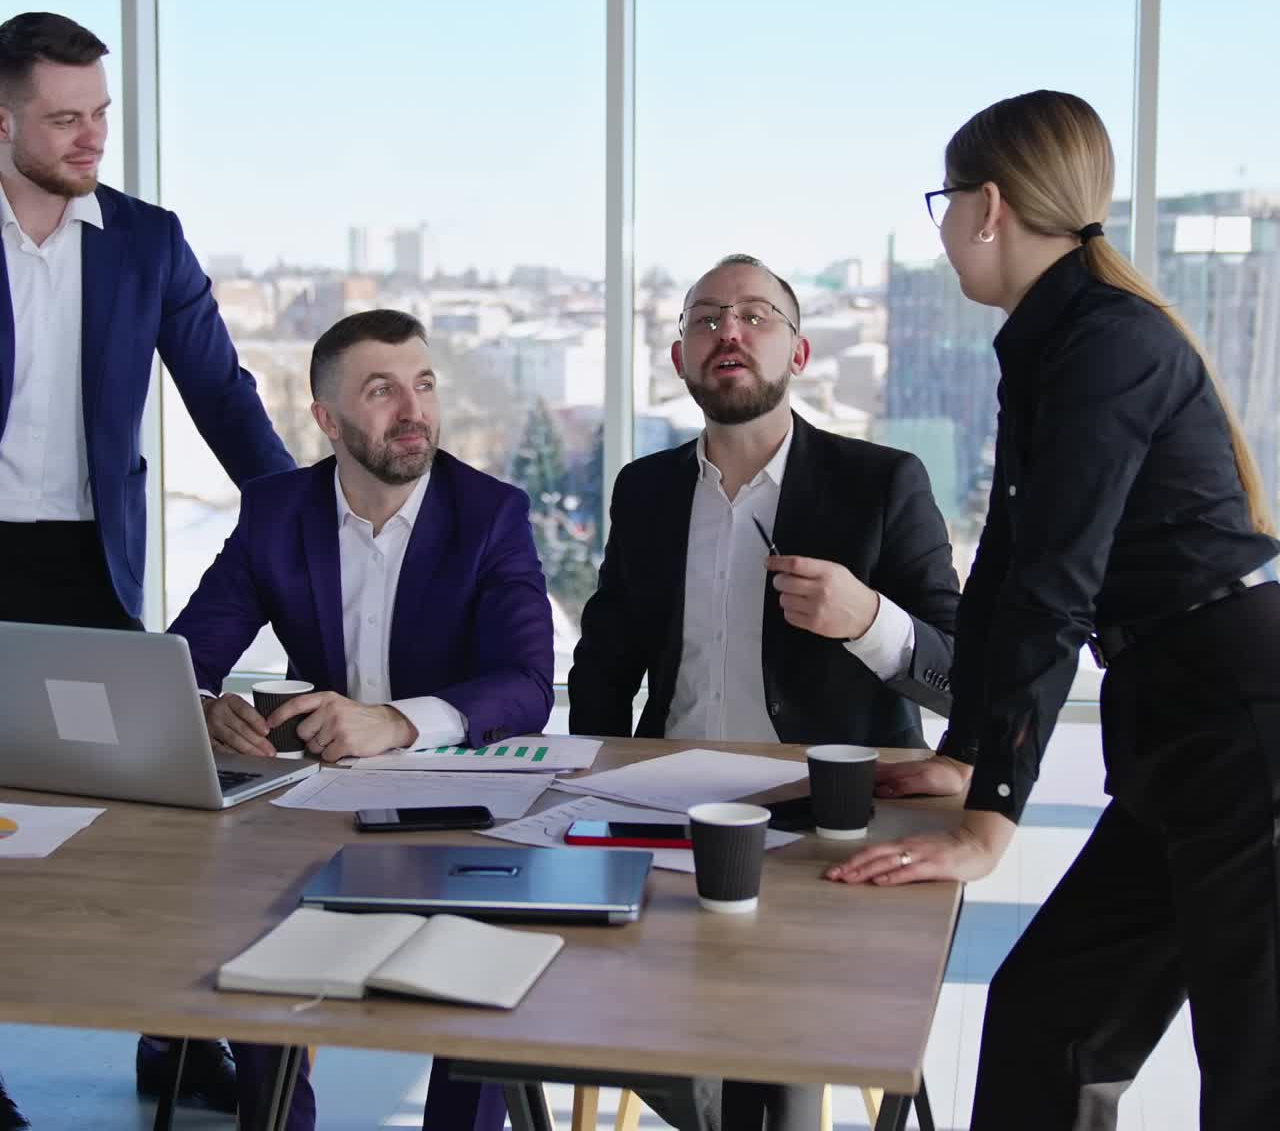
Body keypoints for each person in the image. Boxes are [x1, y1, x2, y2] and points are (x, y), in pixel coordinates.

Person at [826, 90, 1280, 1131]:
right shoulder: (1049, 340)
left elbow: (1054, 583)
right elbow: (1004, 571)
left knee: (1252, 1077)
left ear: (987, 207)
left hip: (1239, 725)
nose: (938, 230)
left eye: (943, 202)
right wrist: (966, 746)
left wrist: (991, 811)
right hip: (1177, 721)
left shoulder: (1106, 342)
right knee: (1047, 1016)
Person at [569, 254, 960, 1131]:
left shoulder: (883, 483)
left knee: (773, 1047)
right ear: (679, 360)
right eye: (704, 320)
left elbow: (961, 676)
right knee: (557, 985)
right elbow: (603, 662)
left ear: (801, 351)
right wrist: (585, 786)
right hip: (665, 814)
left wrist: (867, 620)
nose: (728, 333)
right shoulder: (646, 491)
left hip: (820, 827)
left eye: (754, 316)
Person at [0, 10, 295, 1125]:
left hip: (91, 564)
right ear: (4, 120)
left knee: (163, 806)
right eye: (65, 118)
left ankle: (174, 1035)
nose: (90, 139)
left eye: (102, 114)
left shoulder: (145, 240)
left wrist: (301, 512)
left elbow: (223, 394)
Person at [170, 308, 554, 1131]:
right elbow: (183, 658)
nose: (413, 410)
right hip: (314, 810)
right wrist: (206, 709)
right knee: (251, 922)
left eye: (423, 385)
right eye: (381, 391)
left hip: (461, 809)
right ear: (327, 419)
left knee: (469, 979)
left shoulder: (491, 513)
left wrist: (397, 722)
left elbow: (526, 684)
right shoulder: (277, 511)